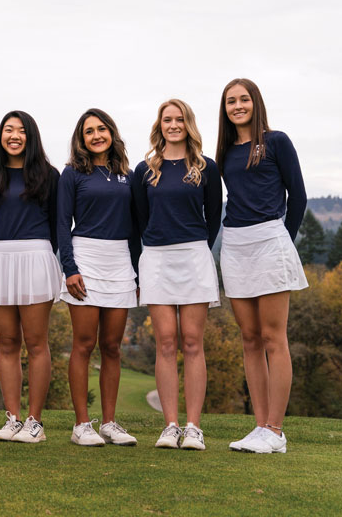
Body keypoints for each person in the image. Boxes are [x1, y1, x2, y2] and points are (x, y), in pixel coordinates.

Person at [216, 78, 307, 454]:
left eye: (243, 99)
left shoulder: (277, 141)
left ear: (255, 102)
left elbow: (297, 196)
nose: (238, 106)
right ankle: (259, 428)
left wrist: (280, 238)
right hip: (234, 245)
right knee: (250, 340)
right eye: (231, 101)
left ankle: (276, 430)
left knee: (273, 338)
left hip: (270, 241)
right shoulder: (223, 152)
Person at [132, 99, 222, 451]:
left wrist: (195, 246)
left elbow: (213, 218)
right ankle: (170, 426)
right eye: (167, 119)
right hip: (155, 258)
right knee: (166, 342)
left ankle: (193, 427)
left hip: (194, 256)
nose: (173, 125)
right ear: (160, 125)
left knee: (192, 342)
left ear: (188, 124)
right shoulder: (146, 169)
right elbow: (140, 219)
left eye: (179, 119)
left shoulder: (205, 167)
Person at [0, 110, 61, 444]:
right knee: (7, 343)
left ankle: (34, 421)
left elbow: (56, 223)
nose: (14, 136)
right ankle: (12, 419)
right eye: (8, 130)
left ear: (31, 136)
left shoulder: (48, 175)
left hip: (36, 256)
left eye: (21, 131)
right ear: (1, 136)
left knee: (37, 343)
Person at [58, 108, 140, 447]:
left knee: (112, 346)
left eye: (101, 129)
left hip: (120, 262)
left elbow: (136, 227)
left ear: (112, 133)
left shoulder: (128, 174)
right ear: (81, 138)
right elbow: (62, 223)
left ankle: (109, 422)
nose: (96, 136)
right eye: (89, 131)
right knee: (84, 344)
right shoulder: (71, 174)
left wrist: (138, 271)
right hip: (86, 260)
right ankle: (81, 425)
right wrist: (70, 268)